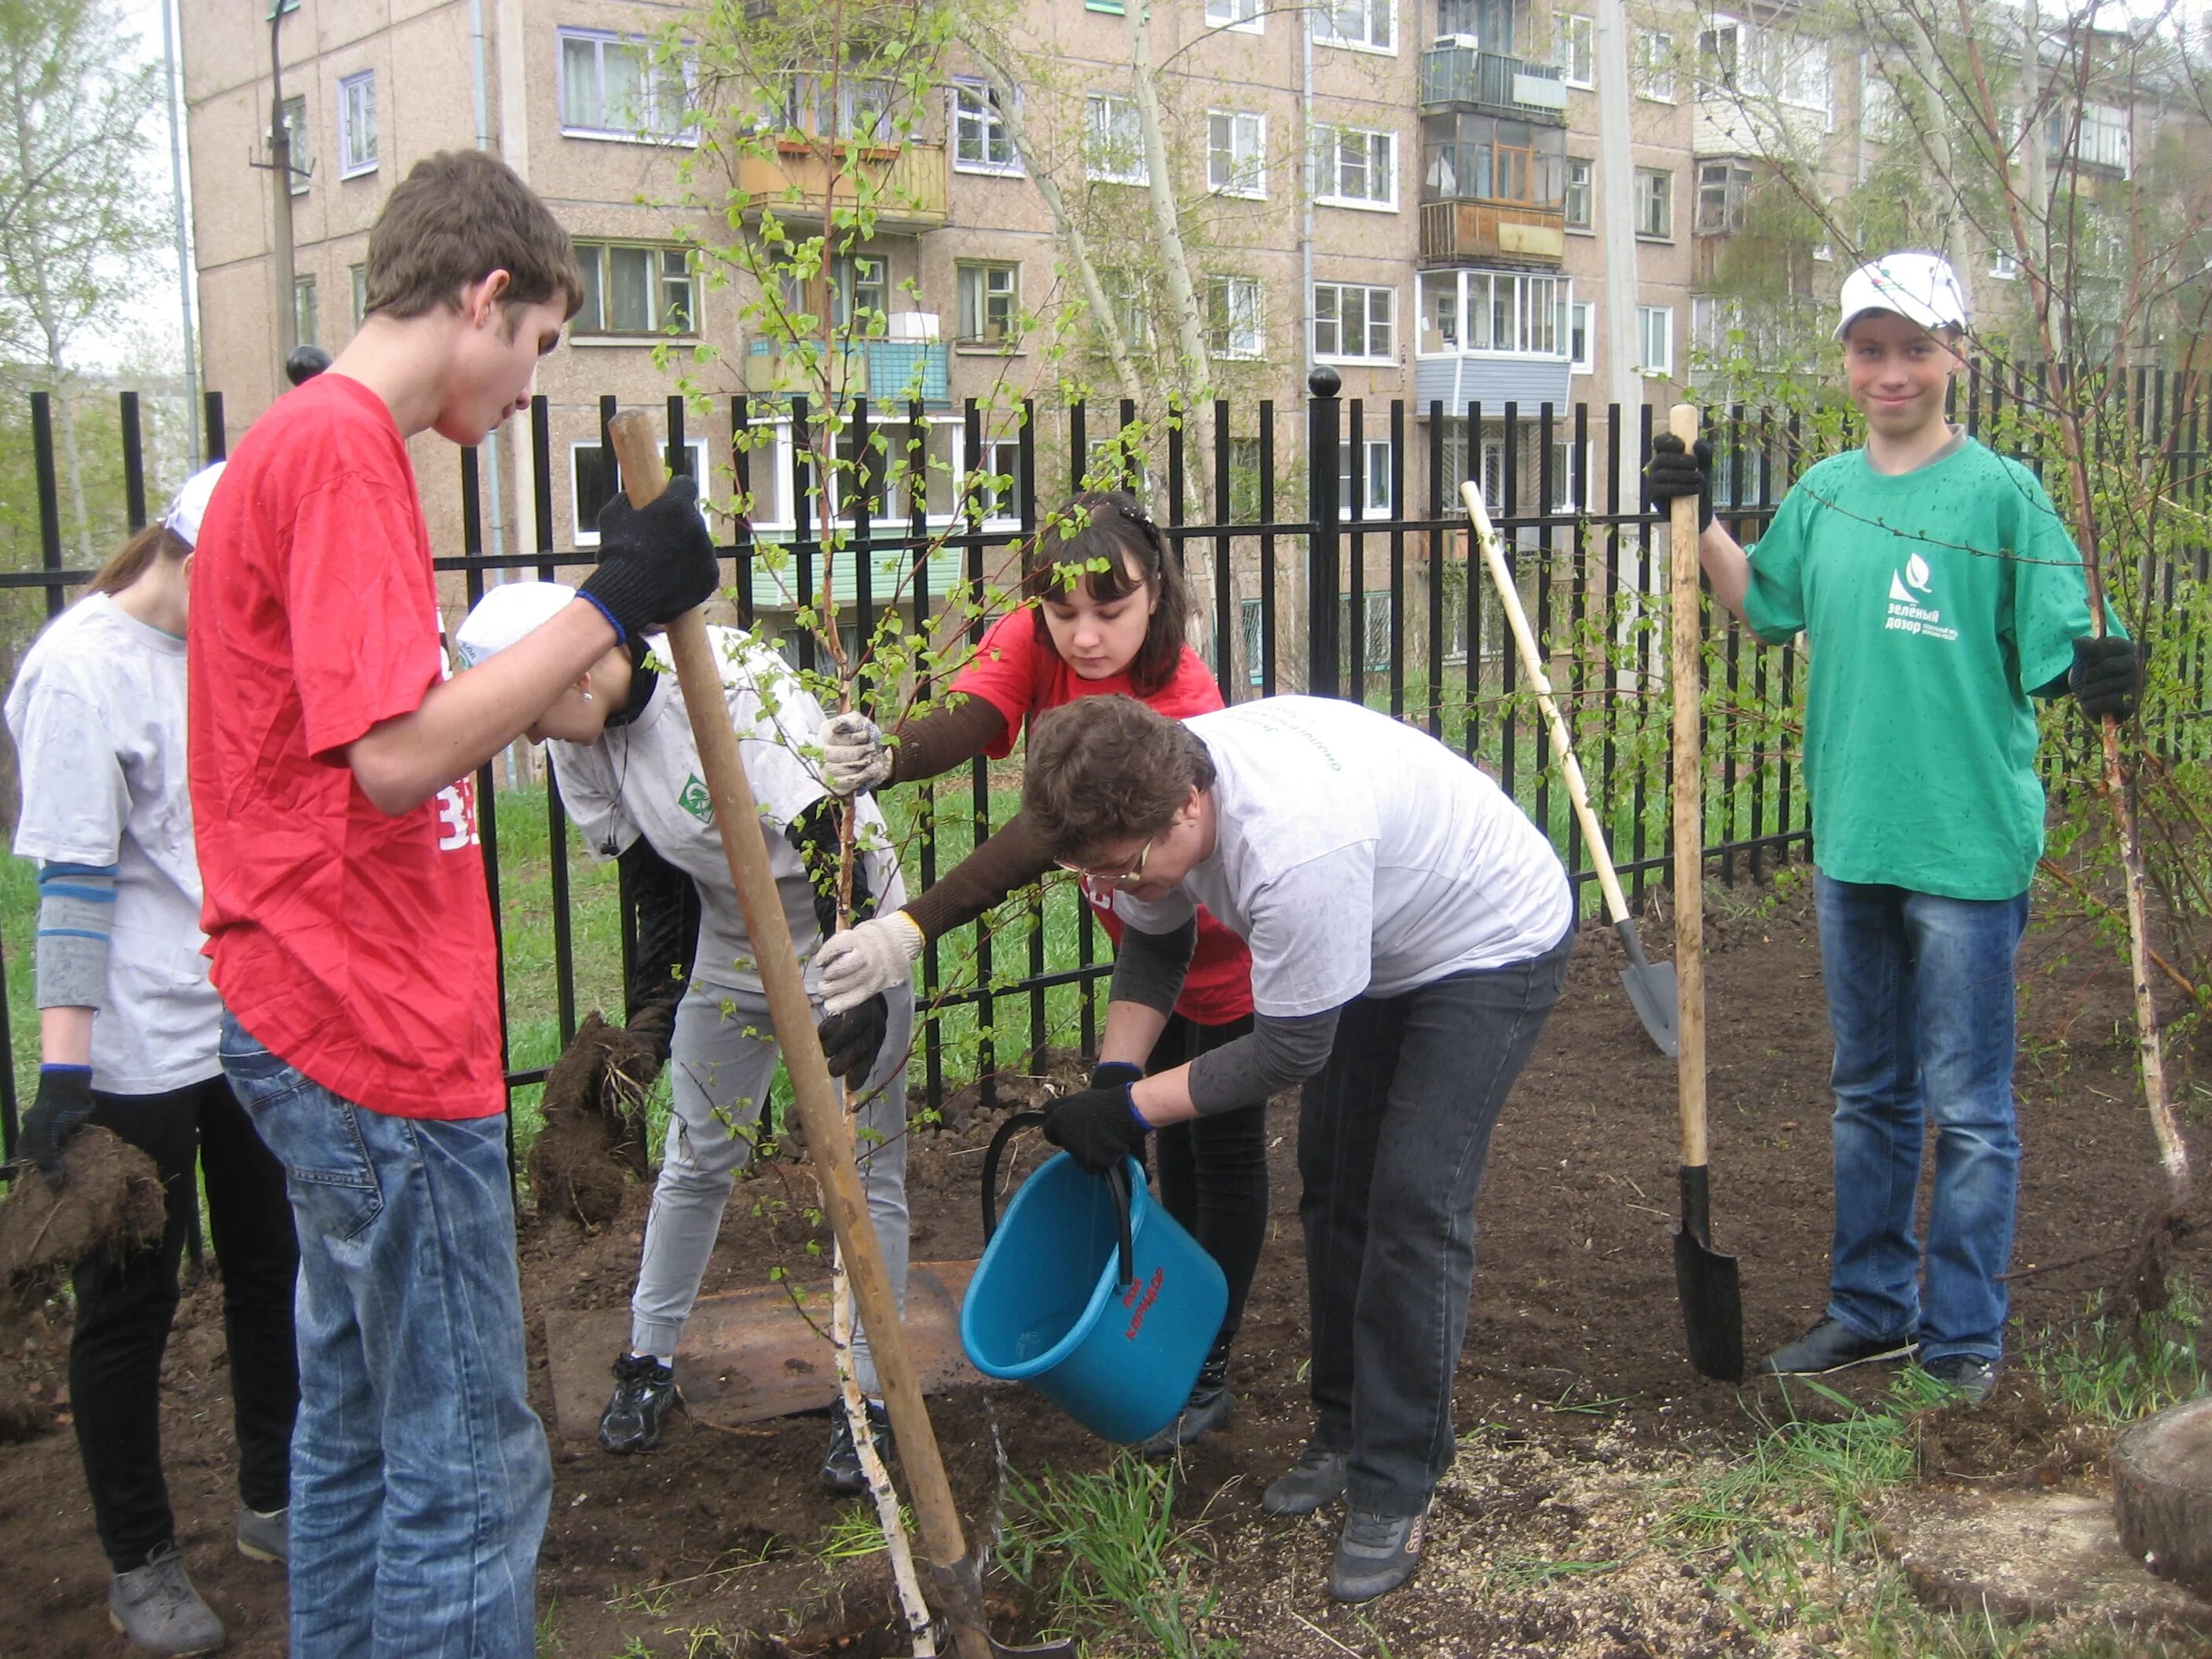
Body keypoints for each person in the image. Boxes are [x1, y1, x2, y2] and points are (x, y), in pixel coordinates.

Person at [187, 150, 720, 1657]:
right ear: (485, 295)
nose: (533, 376)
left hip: (305, 1006)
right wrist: (614, 600)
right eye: (541, 341)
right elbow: (394, 758)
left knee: (357, 1434)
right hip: (368, 1024)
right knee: (473, 1468)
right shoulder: (346, 450)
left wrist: (585, 657)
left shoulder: (293, 447)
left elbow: (407, 701)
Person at [1645, 251, 2141, 1406]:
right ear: (1848, 363)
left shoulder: (2001, 496)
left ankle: (1963, 1341)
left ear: (1956, 355)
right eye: (1871, 350)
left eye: (1916, 348)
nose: (1892, 371)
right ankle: (1871, 1311)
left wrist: (2109, 672)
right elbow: (1762, 605)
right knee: (1868, 1089)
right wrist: (1694, 513)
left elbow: (2072, 647)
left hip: (1966, 847)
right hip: (1855, 841)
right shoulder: (1823, 492)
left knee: (1970, 1108)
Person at [1019, 693, 1573, 1602]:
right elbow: (1156, 953)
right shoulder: (1153, 796)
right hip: (1376, 936)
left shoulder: (1290, 848)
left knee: (1412, 1199)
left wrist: (1137, 1114)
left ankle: (1396, 1481)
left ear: (1188, 808)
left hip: (1487, 942)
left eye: (1126, 869)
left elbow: (1289, 1049)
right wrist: (1116, 1078)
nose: (1121, 888)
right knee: (1334, 1183)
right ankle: (1344, 1429)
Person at [809, 492, 1264, 1452]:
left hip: (1227, 955)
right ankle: (1139, 1316)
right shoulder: (1042, 631)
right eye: (1064, 616)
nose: (1086, 636)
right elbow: (973, 717)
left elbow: (1042, 834)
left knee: (1212, 1152)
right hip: (1144, 937)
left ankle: (1202, 1355)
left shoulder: (1181, 701)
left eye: (1111, 610)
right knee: (1143, 1142)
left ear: (1156, 594)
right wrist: (888, 755)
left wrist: (910, 929)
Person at [454, 580, 914, 1495]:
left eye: (531, 709)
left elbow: (832, 831)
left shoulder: (729, 681)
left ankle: (869, 1394)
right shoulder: (582, 743)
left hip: (842, 920)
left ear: (581, 670)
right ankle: (649, 1357)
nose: (532, 735)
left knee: (864, 1164)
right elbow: (654, 884)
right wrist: (652, 1026)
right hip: (732, 936)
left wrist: (854, 980)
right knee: (697, 1152)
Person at [5, 465, 300, 1657]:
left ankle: (276, 1497)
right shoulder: (81, 673)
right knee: (129, 1307)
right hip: (131, 1040)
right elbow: (72, 883)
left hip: (239, 1012)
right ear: (185, 555)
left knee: (271, 1261)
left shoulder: (220, 650)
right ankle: (141, 1559)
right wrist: (63, 1083)